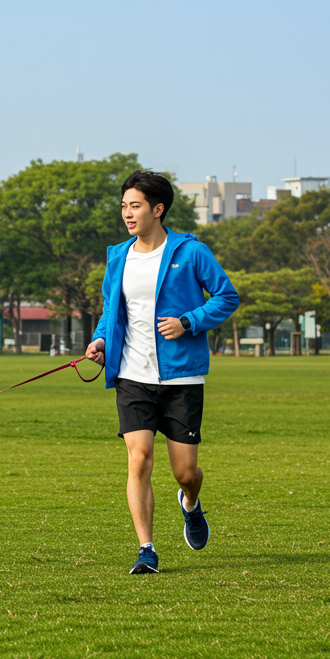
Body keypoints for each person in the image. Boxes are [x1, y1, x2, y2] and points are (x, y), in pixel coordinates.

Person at [84, 171, 238, 575]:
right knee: (139, 459)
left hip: (181, 378)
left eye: (135, 206)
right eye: (123, 206)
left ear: (158, 209)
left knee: (185, 472)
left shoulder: (191, 252)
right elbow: (111, 312)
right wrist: (101, 341)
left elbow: (226, 295)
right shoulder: (118, 256)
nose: (127, 214)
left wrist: (189, 322)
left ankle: (190, 503)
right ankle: (146, 550)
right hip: (133, 375)